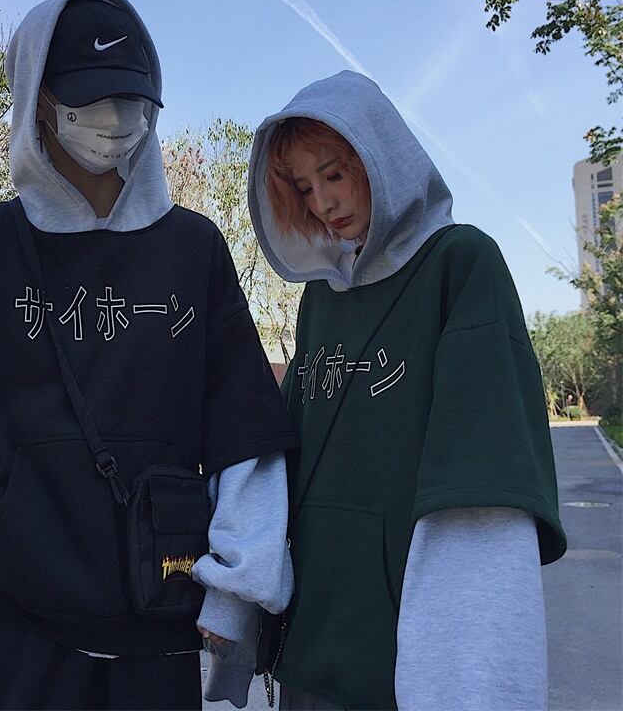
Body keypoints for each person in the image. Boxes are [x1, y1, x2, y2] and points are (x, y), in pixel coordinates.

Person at [0, 0, 295, 711]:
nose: (114, 118)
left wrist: (233, 595)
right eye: (91, 96)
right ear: (39, 100)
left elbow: (246, 438)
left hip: (157, 628)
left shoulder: (194, 251)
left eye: (130, 97)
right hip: (0, 624)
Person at [233, 70, 566, 710]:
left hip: (409, 651)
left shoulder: (460, 263)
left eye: (334, 174)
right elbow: (284, 449)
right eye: (304, 187)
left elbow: (483, 475)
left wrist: (472, 674)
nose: (323, 202)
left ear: (379, 155)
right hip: (310, 636)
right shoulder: (320, 299)